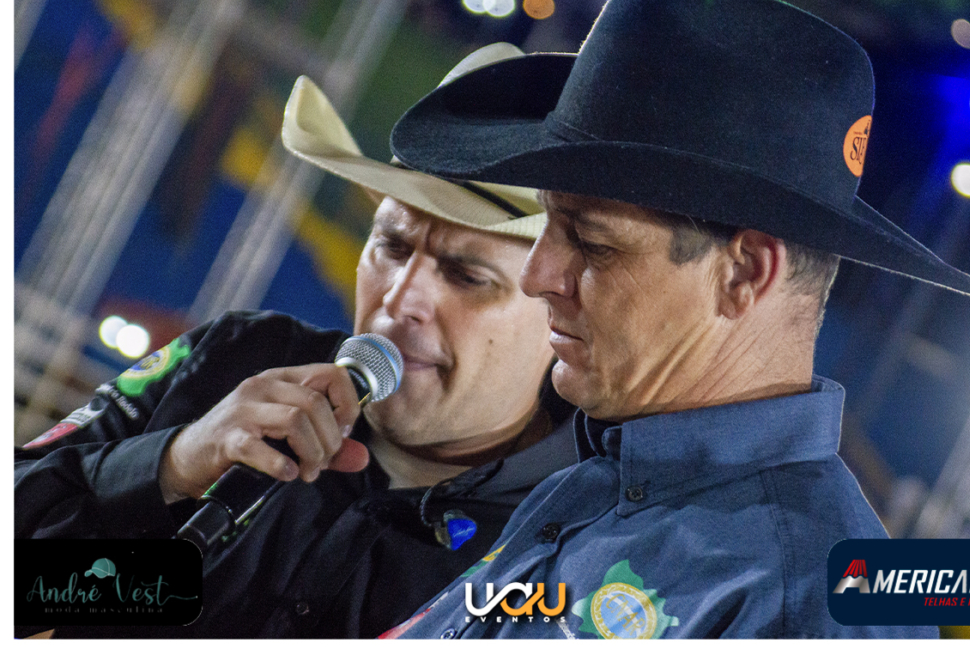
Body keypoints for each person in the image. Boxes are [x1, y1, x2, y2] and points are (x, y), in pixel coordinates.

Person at [379, 0, 970, 639]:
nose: (537, 275)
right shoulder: (600, 482)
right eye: (549, 225)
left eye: (592, 242)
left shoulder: (806, 609)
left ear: (744, 272)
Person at [14, 43, 580, 638]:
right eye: (391, 247)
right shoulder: (237, 358)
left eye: (467, 276)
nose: (399, 300)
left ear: (561, 312)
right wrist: (173, 464)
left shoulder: (579, 540)